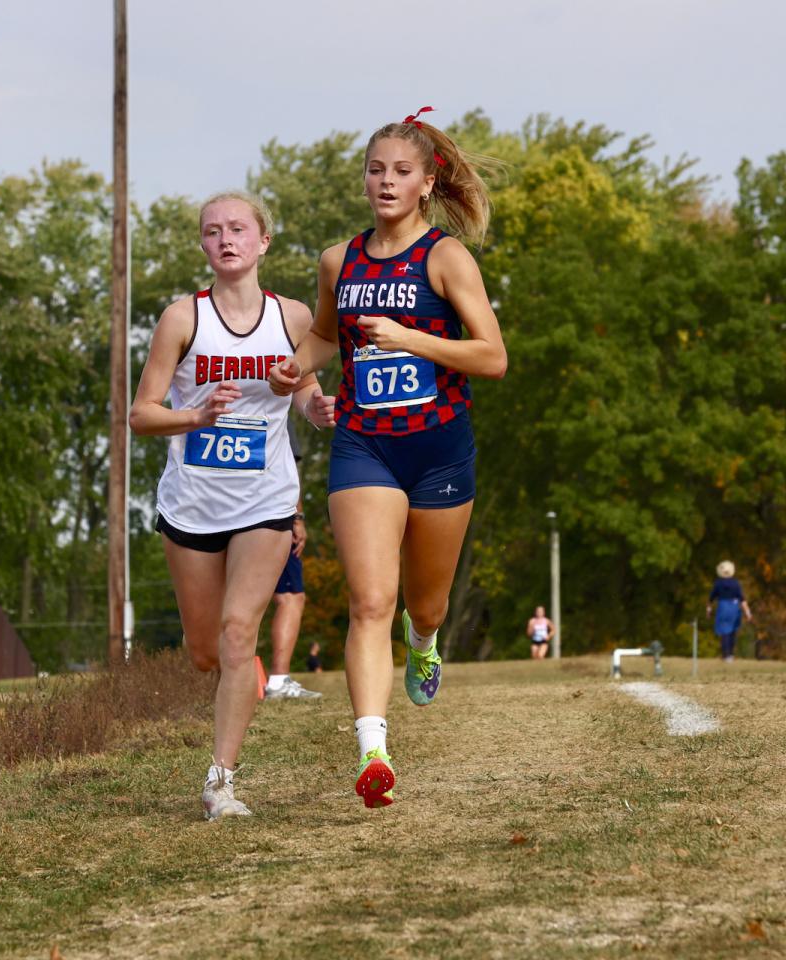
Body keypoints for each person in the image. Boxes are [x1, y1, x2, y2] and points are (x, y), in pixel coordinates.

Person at [270, 107, 507, 808]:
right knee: (370, 600)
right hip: (364, 444)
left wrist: (411, 338)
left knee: (422, 603)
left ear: (427, 183)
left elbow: (491, 357)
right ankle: (374, 751)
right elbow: (325, 337)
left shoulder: (445, 258)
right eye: (376, 170)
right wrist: (294, 367)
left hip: (438, 451)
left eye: (401, 171)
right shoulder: (337, 261)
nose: (385, 182)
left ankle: (425, 639)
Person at [129, 190, 335, 820]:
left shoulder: (295, 318)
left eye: (239, 229)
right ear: (204, 246)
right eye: (213, 231)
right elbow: (141, 414)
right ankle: (239, 684)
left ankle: (221, 780)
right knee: (207, 652)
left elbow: (303, 392)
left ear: (263, 242)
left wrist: (317, 409)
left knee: (238, 630)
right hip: (192, 506)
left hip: (265, 498)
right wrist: (195, 414)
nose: (227, 239)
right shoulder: (182, 319)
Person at [264, 418, 322, 699]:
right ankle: (277, 680)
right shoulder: (273, 391)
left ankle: (213, 680)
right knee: (290, 597)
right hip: (269, 509)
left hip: (210, 511)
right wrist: (297, 516)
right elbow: (288, 465)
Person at [706, 560, 752, 662]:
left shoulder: (718, 584)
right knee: (732, 631)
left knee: (724, 631)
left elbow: (711, 599)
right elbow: (742, 599)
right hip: (734, 608)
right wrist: (748, 613)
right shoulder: (736, 583)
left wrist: (708, 611)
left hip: (722, 607)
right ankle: (731, 654)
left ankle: (725, 655)